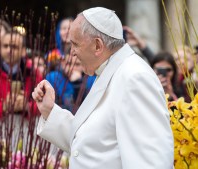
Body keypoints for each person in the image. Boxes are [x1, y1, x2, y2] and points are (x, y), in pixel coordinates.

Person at [32, 7, 173, 168]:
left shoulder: (135, 77)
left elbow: (150, 162)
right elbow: (93, 144)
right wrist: (50, 112)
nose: (72, 53)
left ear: (98, 46)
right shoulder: (107, 70)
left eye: (75, 44)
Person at [0, 30, 42, 118]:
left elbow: (44, 105)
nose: (9, 50)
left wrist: (26, 106)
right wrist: (3, 106)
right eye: (5, 46)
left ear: (23, 51)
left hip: (25, 127)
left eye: (14, 47)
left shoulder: (33, 72)